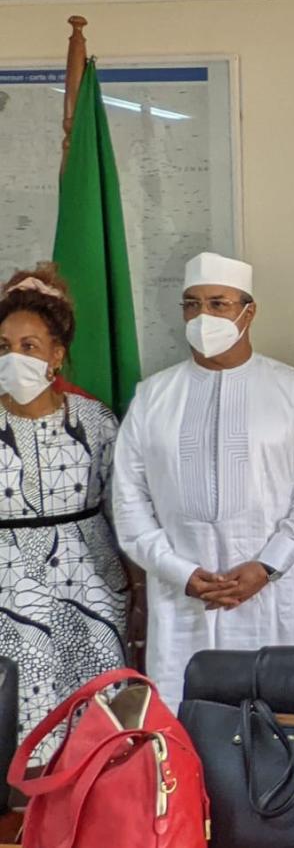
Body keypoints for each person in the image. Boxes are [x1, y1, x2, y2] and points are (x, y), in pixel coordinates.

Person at [113, 252, 294, 703]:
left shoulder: (293, 390)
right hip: (182, 597)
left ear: (248, 312)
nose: (203, 316)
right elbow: (128, 500)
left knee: (277, 719)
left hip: (271, 594)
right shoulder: (153, 396)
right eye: (192, 305)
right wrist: (181, 573)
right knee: (186, 721)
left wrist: (266, 566)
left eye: (218, 304)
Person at [0, 266, 128, 761]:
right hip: (9, 593)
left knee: (98, 724)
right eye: (4, 346)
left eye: (28, 346)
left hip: (89, 584)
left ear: (57, 354)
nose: (14, 357)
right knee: (20, 722)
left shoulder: (95, 420)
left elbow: (123, 508)